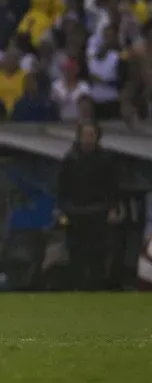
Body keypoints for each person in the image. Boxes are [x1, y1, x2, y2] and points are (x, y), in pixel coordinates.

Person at [56, 122, 119, 290]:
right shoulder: (70, 159)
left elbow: (112, 186)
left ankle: (96, 285)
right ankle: (77, 284)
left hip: (98, 209)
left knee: (98, 250)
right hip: (75, 210)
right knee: (75, 250)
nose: (88, 138)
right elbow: (62, 186)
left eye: (91, 135)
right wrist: (62, 208)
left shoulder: (106, 159)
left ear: (97, 137)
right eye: (85, 134)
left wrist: (112, 208)